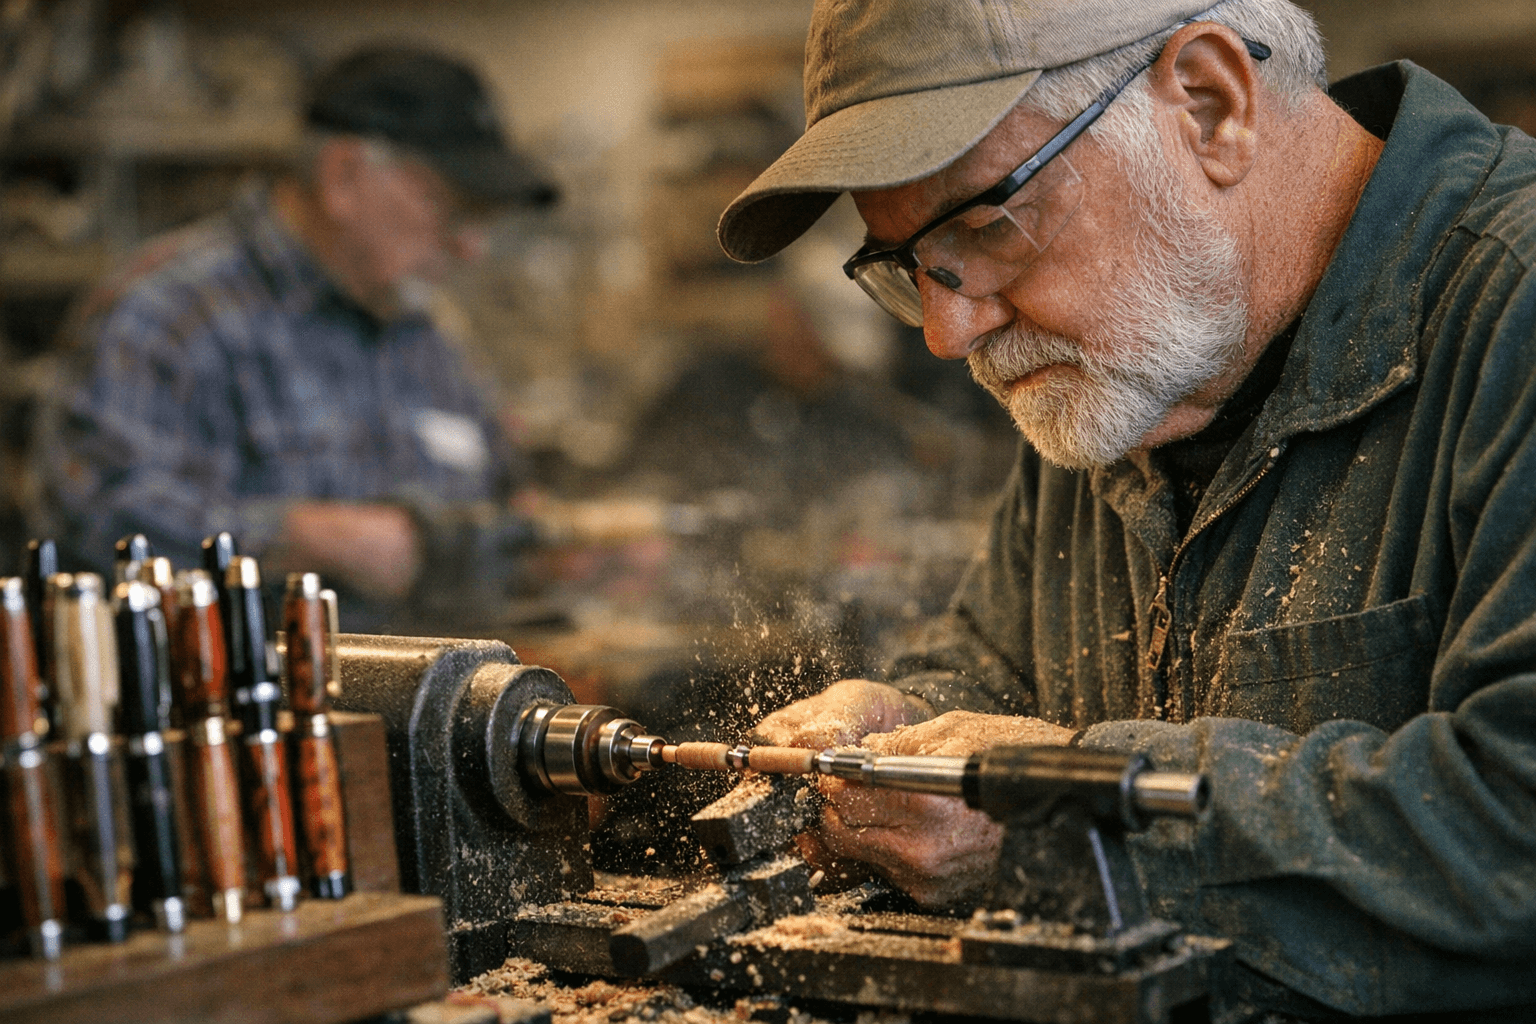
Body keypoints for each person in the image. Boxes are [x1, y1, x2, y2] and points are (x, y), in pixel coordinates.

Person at [715, 0, 1536, 1020]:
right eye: (909, 266)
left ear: (1210, 104)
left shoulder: (1512, 314)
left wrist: (1065, 809)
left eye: (987, 226)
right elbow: (1006, 673)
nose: (946, 330)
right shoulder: (1123, 369)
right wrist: (908, 742)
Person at [26, 47, 558, 629]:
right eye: (451, 208)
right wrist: (308, 539)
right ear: (343, 177)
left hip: (434, 679)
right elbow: (92, 522)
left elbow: (502, 502)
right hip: (247, 685)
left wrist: (549, 553)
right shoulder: (167, 315)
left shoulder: (427, 336)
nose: (472, 247)